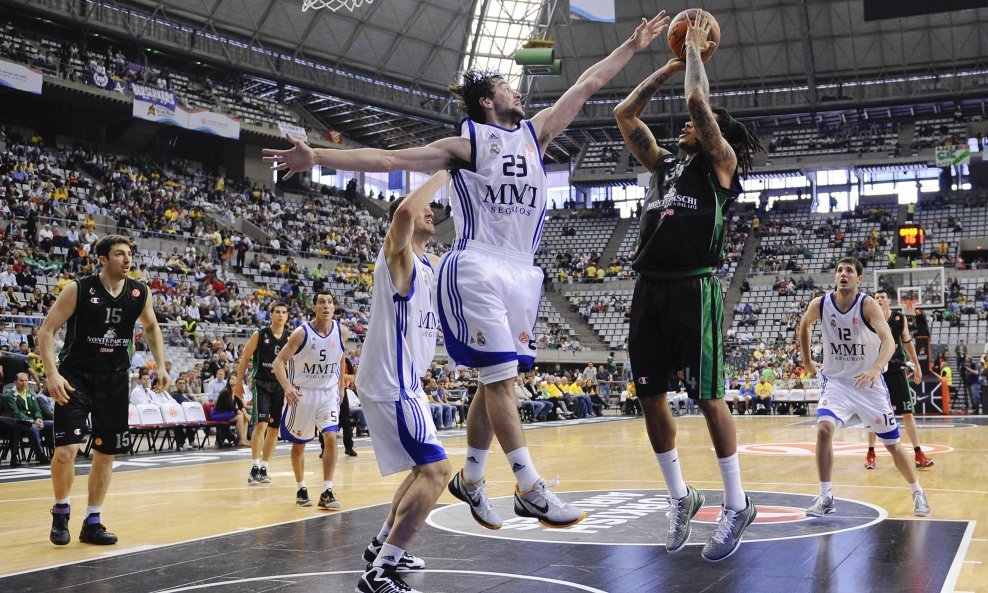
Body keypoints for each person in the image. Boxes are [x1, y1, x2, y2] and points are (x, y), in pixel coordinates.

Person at [264, 10, 671, 530]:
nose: (517, 92)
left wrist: (633, 47)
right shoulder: (466, 146)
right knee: (501, 381)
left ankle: (472, 478)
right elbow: (389, 162)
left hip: (523, 270)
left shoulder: (536, 133)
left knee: (494, 380)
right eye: (506, 85)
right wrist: (315, 155)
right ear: (486, 101)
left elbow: (589, 85)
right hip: (477, 263)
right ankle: (529, 487)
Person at [612, 9, 761, 561]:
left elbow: (701, 105)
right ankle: (681, 497)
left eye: (694, 125)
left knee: (708, 397)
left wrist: (696, 52)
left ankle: (736, 501)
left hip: (694, 288)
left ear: (713, 133)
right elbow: (624, 114)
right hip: (648, 289)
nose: (685, 126)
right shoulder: (663, 168)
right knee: (649, 397)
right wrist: (668, 68)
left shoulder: (720, 166)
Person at [38, 235, 169, 546]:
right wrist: (52, 373)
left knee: (105, 454)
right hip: (75, 378)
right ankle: (61, 511)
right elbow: (46, 330)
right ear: (102, 259)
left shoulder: (139, 291)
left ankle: (92, 521)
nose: (127, 260)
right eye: (120, 254)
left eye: (129, 254)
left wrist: (160, 365)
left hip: (113, 380)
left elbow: (151, 326)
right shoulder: (78, 289)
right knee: (66, 451)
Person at [354, 172, 449, 593]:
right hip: (392, 383)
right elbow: (409, 209)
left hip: (407, 382)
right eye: (423, 209)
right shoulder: (399, 255)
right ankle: (380, 574)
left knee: (420, 471)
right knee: (438, 472)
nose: (430, 211)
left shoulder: (430, 263)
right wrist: (447, 166)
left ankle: (380, 548)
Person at [797, 257, 931, 518]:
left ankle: (917, 492)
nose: (843, 274)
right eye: (839, 271)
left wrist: (875, 368)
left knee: (893, 445)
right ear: (835, 277)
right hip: (836, 382)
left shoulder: (868, 304)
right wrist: (806, 361)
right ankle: (825, 496)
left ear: (859, 279)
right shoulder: (821, 304)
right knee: (824, 430)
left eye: (849, 271)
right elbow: (804, 324)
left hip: (868, 385)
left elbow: (890, 342)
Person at [272, 292, 348, 510]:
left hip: (327, 394)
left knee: (331, 437)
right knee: (299, 446)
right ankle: (301, 486)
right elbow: (278, 362)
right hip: (302, 394)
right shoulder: (300, 334)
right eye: (321, 302)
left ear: (334, 307)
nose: (326, 305)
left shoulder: (342, 332)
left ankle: (327, 490)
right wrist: (287, 387)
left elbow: (341, 358)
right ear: (314, 307)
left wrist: (340, 386)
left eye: (330, 302)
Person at [864, 290, 934, 470]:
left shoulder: (899, 318)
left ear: (888, 300)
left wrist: (917, 365)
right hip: (877, 371)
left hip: (896, 369)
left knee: (907, 412)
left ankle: (919, 453)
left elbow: (908, 342)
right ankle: (871, 454)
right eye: (877, 297)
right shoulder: (869, 318)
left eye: (882, 297)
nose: (879, 300)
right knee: (874, 415)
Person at [235, 302, 290, 485]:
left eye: (284, 312)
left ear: (287, 316)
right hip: (261, 384)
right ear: (271, 315)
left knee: (274, 429)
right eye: (277, 312)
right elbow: (244, 359)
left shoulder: (290, 338)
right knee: (261, 424)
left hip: (280, 386)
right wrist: (238, 384)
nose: (280, 315)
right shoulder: (260, 334)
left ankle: (265, 466)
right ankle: (255, 465)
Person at [2, 372, 52, 464]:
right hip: (20, 423)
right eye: (21, 380)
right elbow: (16, 413)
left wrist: (38, 418)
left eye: (26, 380)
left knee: (52, 424)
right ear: (15, 382)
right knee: (34, 427)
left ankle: (55, 452)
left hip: (34, 421)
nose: (24, 383)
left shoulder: (30, 393)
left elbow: (37, 409)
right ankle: (39, 454)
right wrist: (33, 421)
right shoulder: (10, 395)